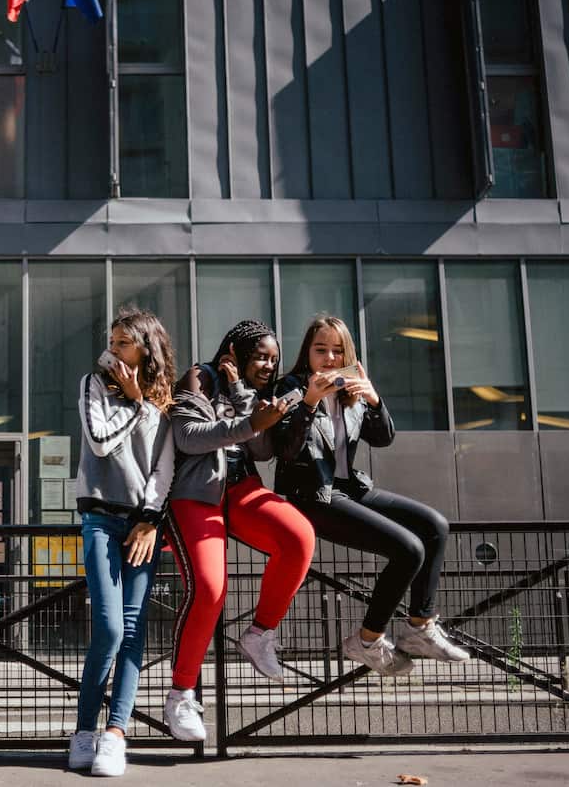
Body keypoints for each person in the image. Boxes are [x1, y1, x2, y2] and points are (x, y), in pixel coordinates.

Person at [272, 315, 470, 676]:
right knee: (409, 549)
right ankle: (366, 641)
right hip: (312, 495)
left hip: (351, 489)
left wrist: (375, 400)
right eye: (321, 350)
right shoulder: (290, 388)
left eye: (337, 350)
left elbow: (383, 438)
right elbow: (284, 451)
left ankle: (419, 627)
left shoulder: (351, 390)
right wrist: (309, 403)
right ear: (307, 352)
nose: (330, 358)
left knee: (434, 526)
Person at [161, 321, 316, 742]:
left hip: (242, 488)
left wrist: (245, 398)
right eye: (260, 356)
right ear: (235, 350)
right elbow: (187, 437)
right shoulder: (200, 377)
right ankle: (181, 694)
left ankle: (260, 634)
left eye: (273, 358)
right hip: (195, 493)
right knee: (210, 589)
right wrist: (248, 422)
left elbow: (263, 450)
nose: (269, 365)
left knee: (298, 536)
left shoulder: (251, 391)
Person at [70, 308, 177, 777]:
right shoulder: (92, 385)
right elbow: (97, 442)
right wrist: (134, 406)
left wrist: (151, 519)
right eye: (112, 342)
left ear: (145, 348)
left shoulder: (163, 403)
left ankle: (115, 733)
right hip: (99, 518)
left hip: (141, 525)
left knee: (134, 631)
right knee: (110, 629)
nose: (114, 350)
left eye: (124, 343)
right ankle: (83, 731)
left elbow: (163, 468)